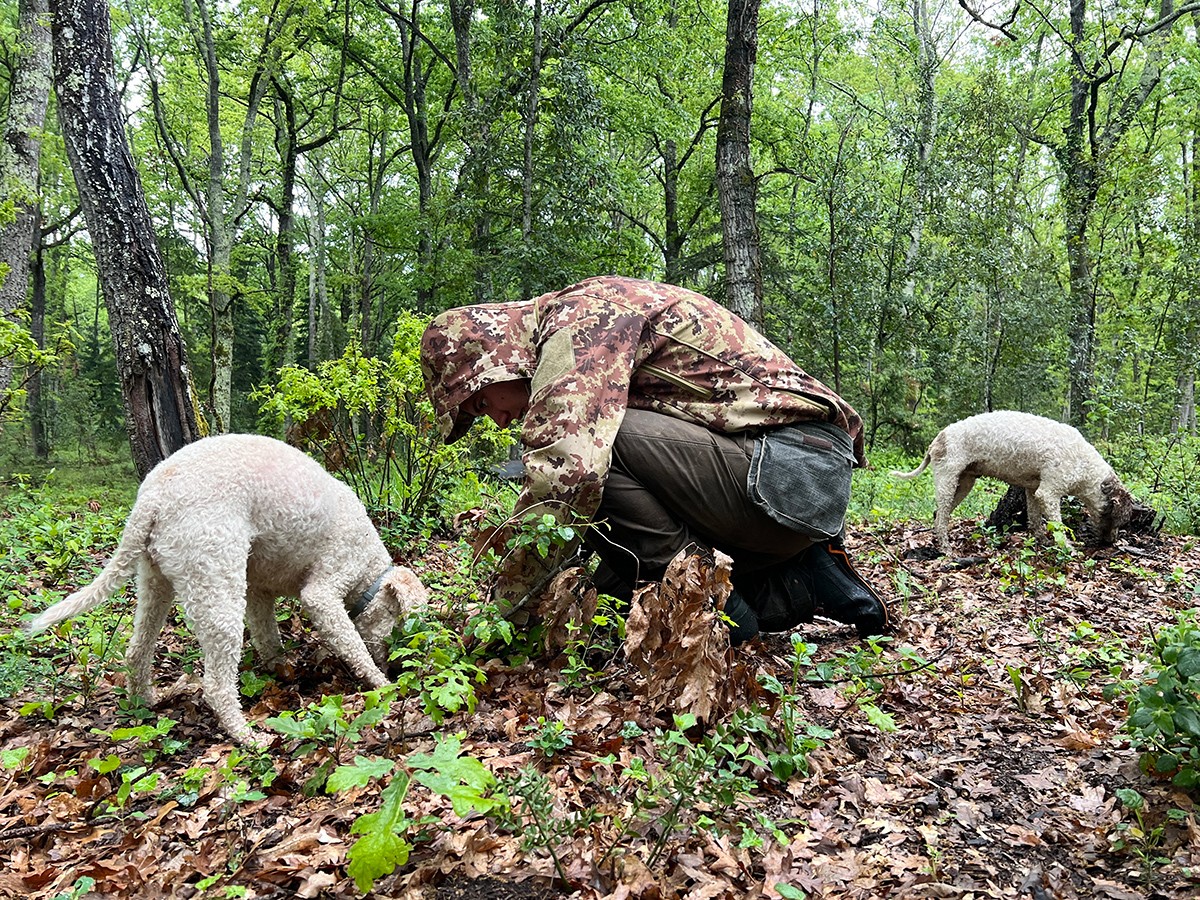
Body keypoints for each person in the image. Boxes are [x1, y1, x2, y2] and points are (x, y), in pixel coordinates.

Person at [420, 275, 890, 642]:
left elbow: (570, 472)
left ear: (492, 358)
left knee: (587, 453)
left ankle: (718, 610)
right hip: (795, 487)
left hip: (790, 472)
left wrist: (495, 616)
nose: (498, 421)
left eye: (481, 404)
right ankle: (800, 579)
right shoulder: (577, 320)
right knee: (602, 563)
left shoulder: (578, 322)